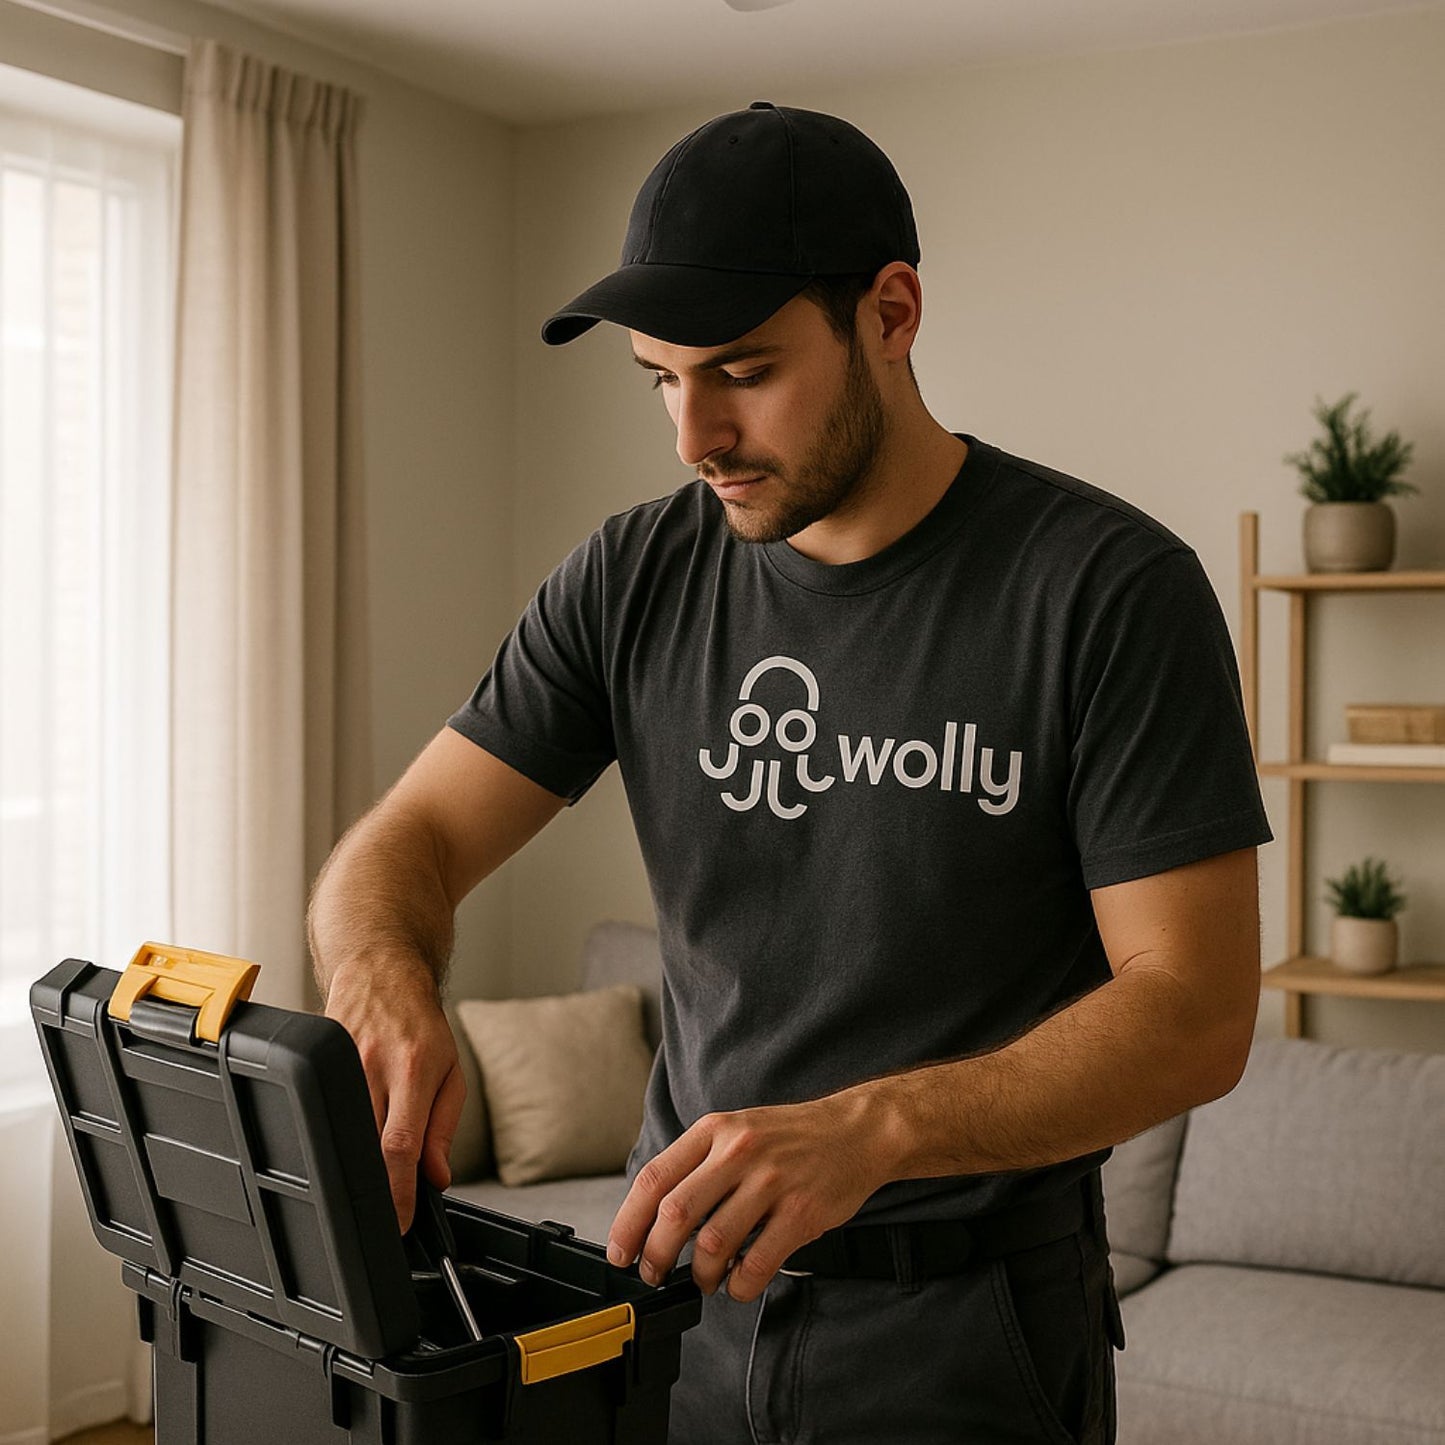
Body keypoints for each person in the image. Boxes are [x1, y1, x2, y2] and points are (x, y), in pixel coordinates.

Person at [310, 101, 1272, 1444]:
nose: (692, 431)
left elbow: (1193, 1010)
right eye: (659, 377)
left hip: (964, 1324)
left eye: (743, 370)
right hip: (667, 1301)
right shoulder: (631, 574)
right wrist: (383, 978)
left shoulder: (1107, 591)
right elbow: (403, 841)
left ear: (890, 313)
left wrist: (872, 1129)